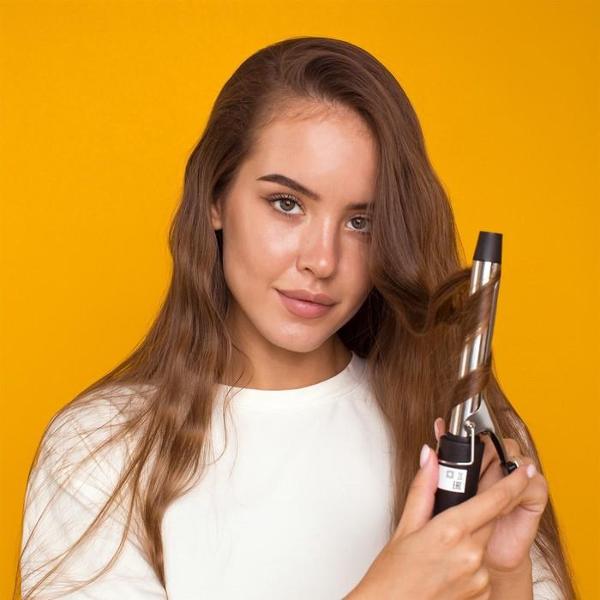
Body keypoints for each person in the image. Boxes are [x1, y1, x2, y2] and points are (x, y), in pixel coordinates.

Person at [16, 36, 575, 599]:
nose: (322, 261)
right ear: (215, 198)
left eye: (361, 222)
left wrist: (506, 575)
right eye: (287, 204)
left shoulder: (462, 433)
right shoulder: (100, 448)